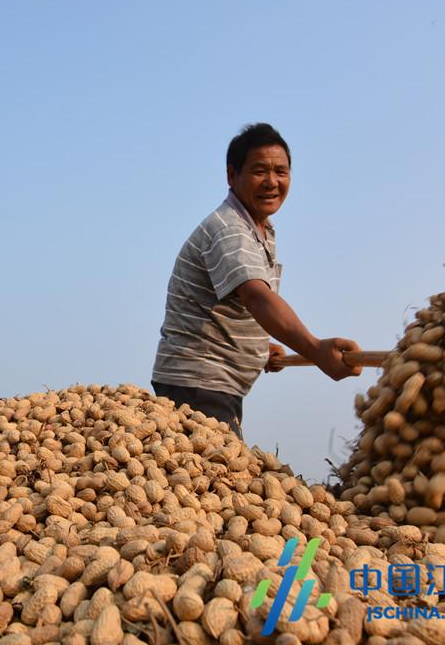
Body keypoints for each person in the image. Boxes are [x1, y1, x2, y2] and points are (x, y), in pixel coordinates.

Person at [152, 123, 362, 436]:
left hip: (212, 385)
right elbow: (257, 297)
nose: (272, 182)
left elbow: (232, 305)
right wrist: (315, 349)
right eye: (260, 170)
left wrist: (260, 348)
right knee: (217, 478)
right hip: (199, 383)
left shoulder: (259, 229)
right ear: (232, 175)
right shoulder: (230, 230)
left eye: (281, 171)